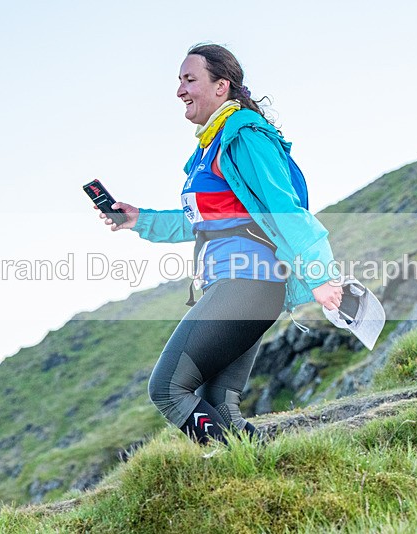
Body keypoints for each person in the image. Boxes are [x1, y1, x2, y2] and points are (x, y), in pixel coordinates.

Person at [94, 43, 342, 445]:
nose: (179, 91)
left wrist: (321, 275)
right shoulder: (208, 148)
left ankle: (245, 466)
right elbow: (202, 223)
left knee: (168, 390)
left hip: (247, 283)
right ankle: (260, 467)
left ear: (221, 86)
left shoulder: (244, 136)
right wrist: (139, 219)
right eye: (179, 81)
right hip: (236, 287)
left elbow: (286, 209)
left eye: (189, 80)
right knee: (217, 400)